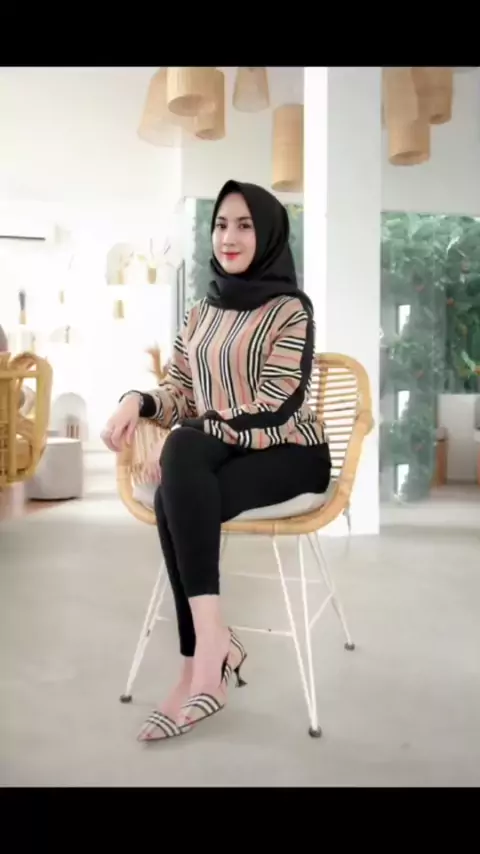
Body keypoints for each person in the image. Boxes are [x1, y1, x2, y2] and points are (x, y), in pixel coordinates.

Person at [101, 180, 332, 743]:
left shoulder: (290, 309)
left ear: (268, 234)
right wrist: (138, 401)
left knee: (179, 477)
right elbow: (180, 390)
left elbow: (278, 403)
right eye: (222, 224)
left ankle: (202, 661)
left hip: (290, 451)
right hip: (223, 448)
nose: (229, 237)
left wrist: (195, 431)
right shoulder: (201, 310)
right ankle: (208, 652)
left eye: (245, 225)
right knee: (181, 485)